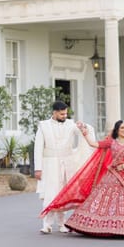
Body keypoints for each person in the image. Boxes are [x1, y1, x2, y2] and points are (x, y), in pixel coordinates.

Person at [41, 119, 124, 238]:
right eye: (122, 128)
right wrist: (85, 132)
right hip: (112, 176)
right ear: (117, 130)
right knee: (105, 202)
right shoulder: (111, 142)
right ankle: (104, 228)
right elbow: (93, 144)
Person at [34, 100, 93, 234]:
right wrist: (38, 168)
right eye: (62, 114)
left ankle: (62, 223)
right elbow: (38, 148)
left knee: (64, 194)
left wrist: (84, 126)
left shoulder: (71, 124)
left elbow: (84, 132)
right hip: (50, 164)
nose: (64, 116)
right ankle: (47, 224)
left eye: (66, 114)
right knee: (51, 193)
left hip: (67, 163)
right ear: (54, 113)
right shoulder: (43, 126)